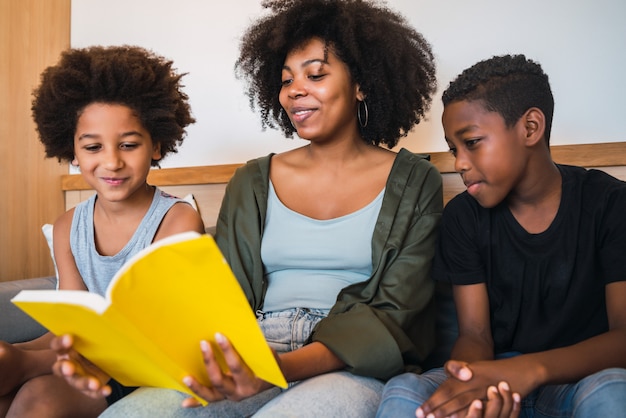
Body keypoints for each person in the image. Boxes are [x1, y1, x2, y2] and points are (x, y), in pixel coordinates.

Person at [52, 0, 442, 416]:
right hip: (250, 348)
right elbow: (220, 300)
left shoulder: (415, 182)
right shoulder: (252, 181)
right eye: (286, 79)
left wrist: (278, 367)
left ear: (361, 83)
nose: (295, 90)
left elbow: (398, 311)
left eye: (316, 74)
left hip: (350, 363)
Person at [376, 54, 626, 418]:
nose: (459, 163)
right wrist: (470, 384)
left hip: (580, 379)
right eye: (453, 149)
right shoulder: (463, 216)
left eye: (472, 142)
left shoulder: (610, 204)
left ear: (530, 128)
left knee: (612, 392)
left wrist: (531, 370)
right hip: (494, 376)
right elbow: (475, 334)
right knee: (404, 391)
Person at [0, 45, 205, 418]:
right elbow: (76, 325)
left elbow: (149, 335)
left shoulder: (178, 221)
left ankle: (29, 367)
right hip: (90, 360)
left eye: (128, 144)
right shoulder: (67, 227)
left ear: (156, 144)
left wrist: (29, 362)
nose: (112, 161)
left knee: (38, 399)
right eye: (93, 147)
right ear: (73, 152)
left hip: (145, 365)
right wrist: (24, 352)